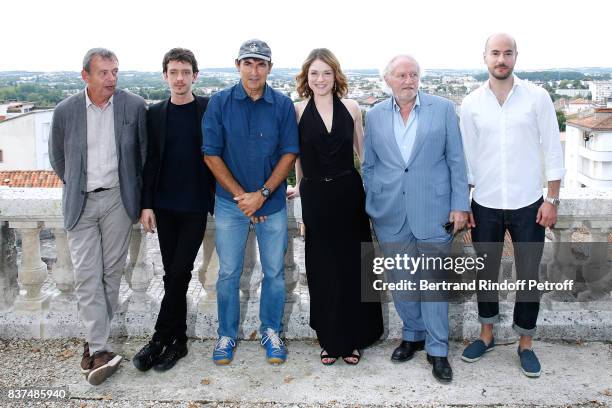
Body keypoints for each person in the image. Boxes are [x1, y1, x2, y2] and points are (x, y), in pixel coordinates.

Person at [459, 33, 565, 378]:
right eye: (495, 53)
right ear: (485, 57)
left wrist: (552, 198)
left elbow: (552, 149)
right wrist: (466, 203)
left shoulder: (538, 97)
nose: (501, 59)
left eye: (507, 53)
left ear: (516, 57)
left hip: (528, 203)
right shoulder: (472, 102)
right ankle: (486, 335)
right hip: (485, 204)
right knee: (486, 275)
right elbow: (466, 160)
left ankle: (525, 343)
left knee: (529, 276)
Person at [362, 54, 470, 383]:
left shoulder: (442, 109)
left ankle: (438, 350)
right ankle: (413, 335)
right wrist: (375, 200)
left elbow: (456, 160)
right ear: (388, 80)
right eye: (401, 75)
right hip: (390, 212)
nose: (408, 80)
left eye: (413, 74)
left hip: (434, 212)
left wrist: (459, 205)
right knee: (401, 282)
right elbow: (369, 164)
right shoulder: (376, 114)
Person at [48, 48, 147, 385]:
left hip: (119, 200)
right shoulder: (65, 111)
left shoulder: (134, 106)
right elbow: (58, 158)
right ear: (85, 76)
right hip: (81, 203)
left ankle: (94, 346)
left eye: (115, 72)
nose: (111, 79)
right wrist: (78, 184)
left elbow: (143, 156)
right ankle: (100, 347)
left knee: (111, 275)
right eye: (104, 72)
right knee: (86, 275)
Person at [202, 39, 299, 365]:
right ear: (238, 65)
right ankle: (226, 334)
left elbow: (289, 153)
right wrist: (243, 198)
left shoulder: (283, 105)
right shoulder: (220, 103)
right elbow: (211, 154)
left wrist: (262, 196)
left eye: (260, 64)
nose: (254, 70)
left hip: (270, 204)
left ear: (269, 68)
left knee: (274, 272)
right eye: (248, 63)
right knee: (228, 272)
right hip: (232, 205)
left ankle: (271, 331)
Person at [287, 48, 383, 365]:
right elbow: (298, 157)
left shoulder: (352, 108)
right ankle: (329, 340)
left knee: (353, 265)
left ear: (335, 76)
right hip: (315, 194)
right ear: (307, 77)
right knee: (323, 269)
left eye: (326, 72)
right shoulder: (298, 111)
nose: (320, 79)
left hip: (349, 193)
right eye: (314, 73)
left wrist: (377, 192)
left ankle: (355, 338)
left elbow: (364, 155)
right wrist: (299, 186)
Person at [132, 48, 215, 372]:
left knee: (178, 272)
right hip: (164, 206)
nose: (179, 78)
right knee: (173, 275)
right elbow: (150, 161)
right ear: (165, 76)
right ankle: (177, 340)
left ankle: (158, 339)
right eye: (173, 72)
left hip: (195, 205)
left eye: (185, 72)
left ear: (195, 75)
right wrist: (147, 203)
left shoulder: (208, 109)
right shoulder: (154, 113)